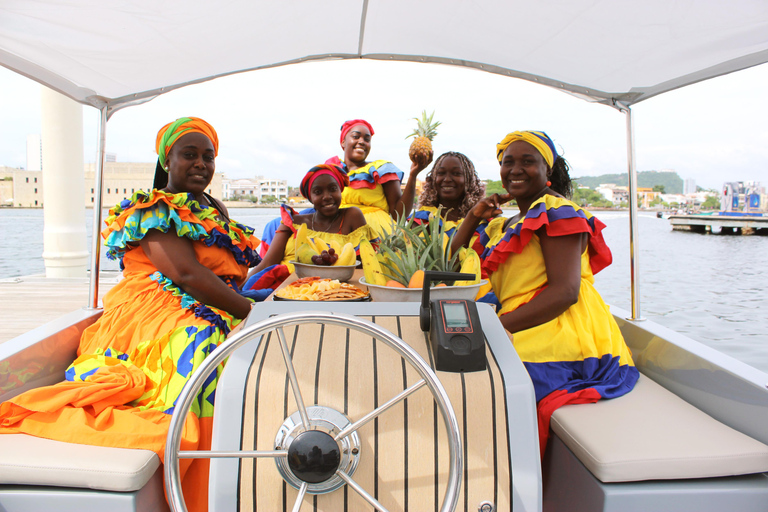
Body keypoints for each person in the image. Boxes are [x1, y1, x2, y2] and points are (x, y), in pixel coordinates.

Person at [0, 117, 261, 511]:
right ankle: (197, 490)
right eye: (188, 155)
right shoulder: (153, 208)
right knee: (206, 359)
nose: (200, 164)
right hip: (153, 308)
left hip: (214, 301)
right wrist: (255, 314)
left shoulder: (213, 207)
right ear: (166, 160)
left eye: (208, 157)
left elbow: (221, 274)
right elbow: (187, 275)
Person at [452, 130, 639, 455]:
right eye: (508, 162)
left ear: (548, 169)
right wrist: (472, 217)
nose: (515, 169)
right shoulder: (505, 224)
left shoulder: (557, 212)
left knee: (487, 382)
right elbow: (450, 262)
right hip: (520, 322)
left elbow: (565, 292)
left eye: (528, 161)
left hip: (561, 326)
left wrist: (495, 328)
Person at [249, 163, 377, 277]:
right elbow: (267, 264)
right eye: (318, 192)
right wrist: (239, 289)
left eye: (333, 189)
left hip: (339, 289)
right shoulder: (292, 222)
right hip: (285, 286)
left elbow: (365, 265)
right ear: (310, 197)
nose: (327, 196)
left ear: (341, 190)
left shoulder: (352, 216)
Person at [326, 119, 432, 237]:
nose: (361, 142)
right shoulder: (331, 170)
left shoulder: (381, 169)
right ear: (343, 142)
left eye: (367, 139)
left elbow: (398, 215)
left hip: (377, 237)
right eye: (356, 136)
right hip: (337, 234)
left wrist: (413, 175)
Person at [411, 151, 486, 235]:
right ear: (433, 179)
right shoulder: (422, 220)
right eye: (441, 173)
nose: (447, 179)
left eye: (456, 173)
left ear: (469, 180)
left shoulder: (483, 219)